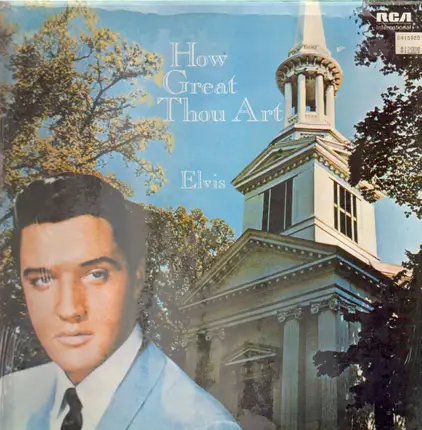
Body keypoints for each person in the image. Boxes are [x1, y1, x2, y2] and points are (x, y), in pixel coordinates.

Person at [0, 173, 241, 430]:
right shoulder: (8, 396)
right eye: (42, 279)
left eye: (96, 274)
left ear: (137, 277)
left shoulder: (202, 424)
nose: (70, 309)